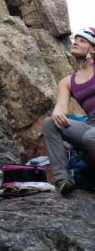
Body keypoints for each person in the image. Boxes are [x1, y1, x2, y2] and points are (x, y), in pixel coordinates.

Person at [42, 27, 95, 194]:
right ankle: (63, 179)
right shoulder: (67, 82)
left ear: (93, 49)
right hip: (91, 124)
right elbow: (61, 106)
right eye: (75, 38)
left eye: (83, 40)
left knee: (90, 137)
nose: (76, 42)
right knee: (50, 123)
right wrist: (58, 112)